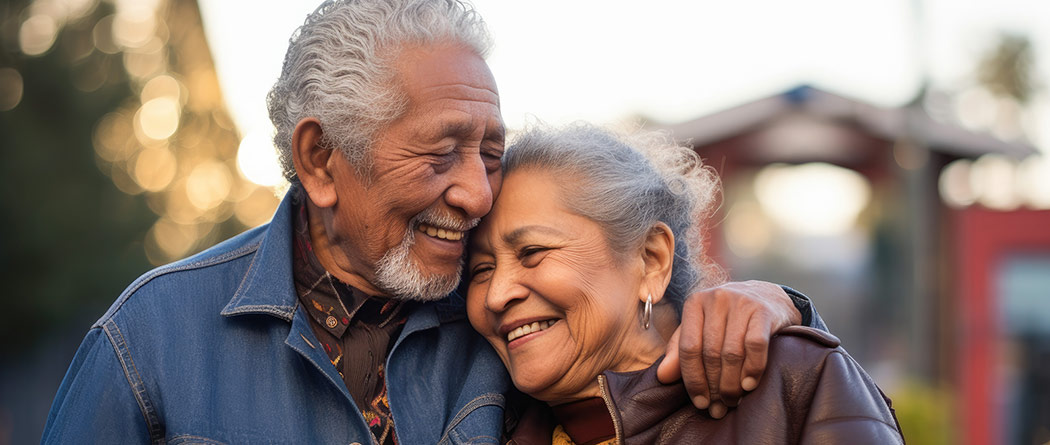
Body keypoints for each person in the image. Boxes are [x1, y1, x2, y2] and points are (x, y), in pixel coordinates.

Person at [42, 1, 825, 443]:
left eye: (490, 150)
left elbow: (637, 361)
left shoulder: (501, 320)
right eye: (442, 153)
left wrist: (776, 305)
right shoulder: (149, 340)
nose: (480, 194)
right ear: (320, 160)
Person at [466, 123, 904, 444]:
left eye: (533, 253)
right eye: (480, 271)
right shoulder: (475, 424)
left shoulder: (793, 381)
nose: (498, 294)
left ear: (651, 259)